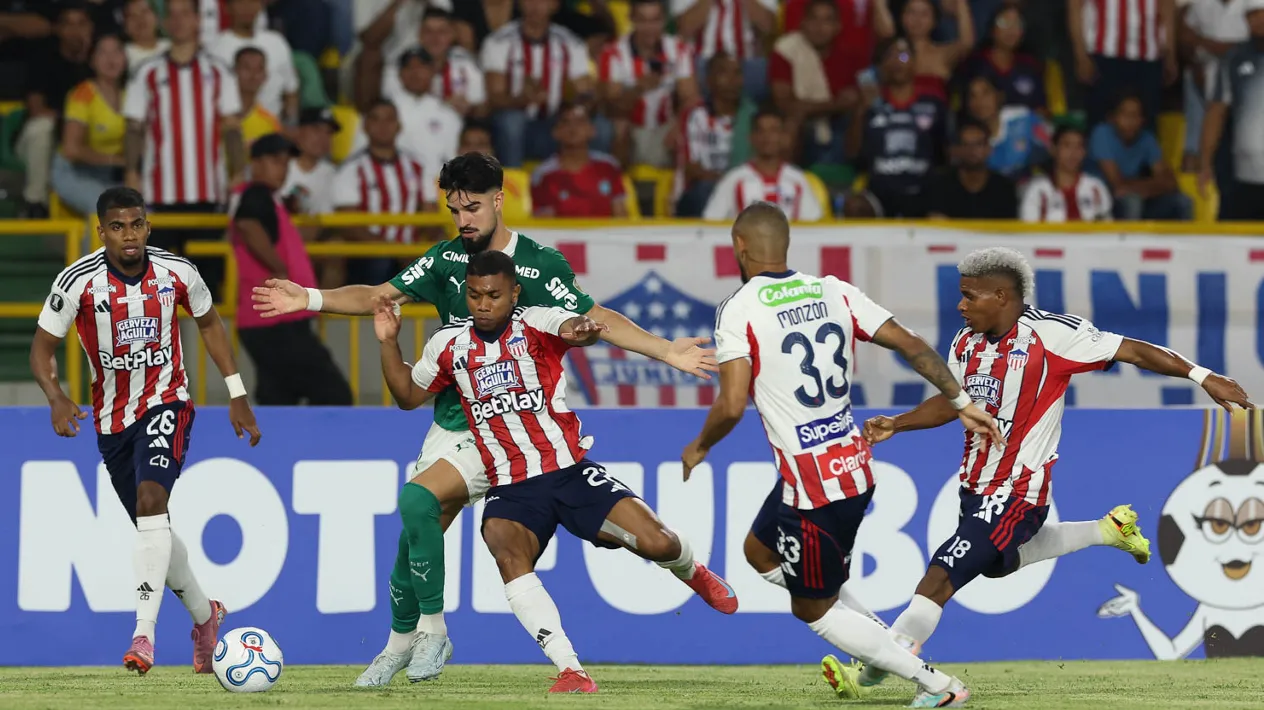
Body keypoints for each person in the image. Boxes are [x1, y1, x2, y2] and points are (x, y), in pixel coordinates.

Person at [249, 152, 717, 687]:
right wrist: (308, 297)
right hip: (456, 425)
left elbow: (597, 319)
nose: (463, 219)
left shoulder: (538, 266)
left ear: (500, 198)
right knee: (414, 535)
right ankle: (403, 642)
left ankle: (430, 635)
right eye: (455, 210)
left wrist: (668, 353)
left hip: (519, 431)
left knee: (423, 506)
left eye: (472, 207)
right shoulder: (447, 260)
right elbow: (380, 298)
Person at [855, 246, 1254, 689]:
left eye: (969, 296)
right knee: (995, 565)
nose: (960, 305)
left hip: (1019, 488)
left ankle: (875, 670)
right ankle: (1106, 530)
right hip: (976, 484)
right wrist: (898, 422)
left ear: (1002, 296)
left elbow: (1134, 351)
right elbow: (955, 403)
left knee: (941, 573)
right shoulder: (965, 341)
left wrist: (1203, 376)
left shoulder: (1052, 336)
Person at [375, 249, 738, 693]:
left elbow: (570, 328)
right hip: (510, 486)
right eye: (473, 295)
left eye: (493, 295)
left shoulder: (536, 321)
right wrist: (388, 342)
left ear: (514, 293)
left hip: (568, 472)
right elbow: (408, 396)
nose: (483, 304)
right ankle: (572, 669)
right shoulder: (448, 344)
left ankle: (691, 571)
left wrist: (581, 330)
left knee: (658, 542)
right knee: (506, 551)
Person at [681, 202, 996, 708]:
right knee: (758, 552)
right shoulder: (835, 290)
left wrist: (699, 446)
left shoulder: (739, 307)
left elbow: (732, 402)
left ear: (739, 248)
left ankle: (939, 686)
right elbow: (912, 344)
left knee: (814, 611)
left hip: (813, 490)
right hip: (850, 467)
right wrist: (961, 401)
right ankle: (880, 644)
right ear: (784, 246)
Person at [28, 186, 262, 675]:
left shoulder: (177, 272)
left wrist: (236, 392)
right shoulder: (78, 282)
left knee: (152, 500)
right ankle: (206, 617)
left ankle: (144, 635)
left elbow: (211, 323)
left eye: (136, 224)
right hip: (112, 422)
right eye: (118, 226)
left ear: (148, 227)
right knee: (153, 528)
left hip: (167, 403)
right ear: (102, 232)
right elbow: (42, 348)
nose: (128, 235)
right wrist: (55, 397)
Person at [230, 133, 352, 406]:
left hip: (264, 320)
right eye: (275, 161)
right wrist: (280, 268)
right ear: (257, 164)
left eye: (286, 163)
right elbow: (247, 225)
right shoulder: (257, 195)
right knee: (333, 394)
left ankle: (279, 448)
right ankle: (331, 449)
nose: (282, 169)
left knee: (278, 400)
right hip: (278, 321)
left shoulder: (266, 198)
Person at [1197, 1, 1264, 221]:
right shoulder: (1233, 60)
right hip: (1242, 175)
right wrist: (1205, 163)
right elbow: (1216, 112)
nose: (1257, 20)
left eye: (1261, 13)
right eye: (1251, 15)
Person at [51, 32, 128, 217]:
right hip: (74, 173)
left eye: (116, 52)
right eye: (103, 53)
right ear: (92, 60)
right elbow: (72, 150)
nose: (111, 59)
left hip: (113, 175)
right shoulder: (83, 94)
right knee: (105, 207)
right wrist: (117, 161)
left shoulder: (131, 96)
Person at [703, 109, 824, 222]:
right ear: (751, 137)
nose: (767, 137)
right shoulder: (734, 179)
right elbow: (710, 222)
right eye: (761, 130)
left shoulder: (798, 180)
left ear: (783, 137)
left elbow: (814, 226)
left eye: (773, 130)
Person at [1088, 91, 1192, 221]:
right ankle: (1131, 241)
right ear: (1113, 117)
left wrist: (1139, 188)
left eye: (1135, 115)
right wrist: (1151, 186)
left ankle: (1181, 242)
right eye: (1125, 114)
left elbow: (1171, 182)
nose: (1130, 121)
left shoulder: (1147, 139)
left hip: (1140, 197)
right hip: (1103, 200)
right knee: (1132, 201)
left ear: (1142, 120)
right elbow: (1117, 184)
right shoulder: (1101, 133)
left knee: (1183, 202)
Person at [531, 103, 629, 218]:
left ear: (592, 130)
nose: (573, 128)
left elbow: (620, 215)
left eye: (580, 122)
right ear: (556, 132)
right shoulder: (544, 175)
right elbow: (545, 225)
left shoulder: (608, 166)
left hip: (605, 235)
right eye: (566, 122)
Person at [928, 119, 1018, 219]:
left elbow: (1008, 230)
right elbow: (937, 227)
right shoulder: (940, 184)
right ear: (956, 150)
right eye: (965, 144)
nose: (972, 150)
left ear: (989, 149)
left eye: (978, 144)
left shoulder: (1004, 188)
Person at [1020, 125, 1112, 222]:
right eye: (1067, 145)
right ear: (1053, 149)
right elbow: (1029, 231)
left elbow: (1106, 228)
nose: (1073, 153)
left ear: (1084, 152)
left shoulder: (1096, 187)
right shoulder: (1037, 189)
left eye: (1079, 146)